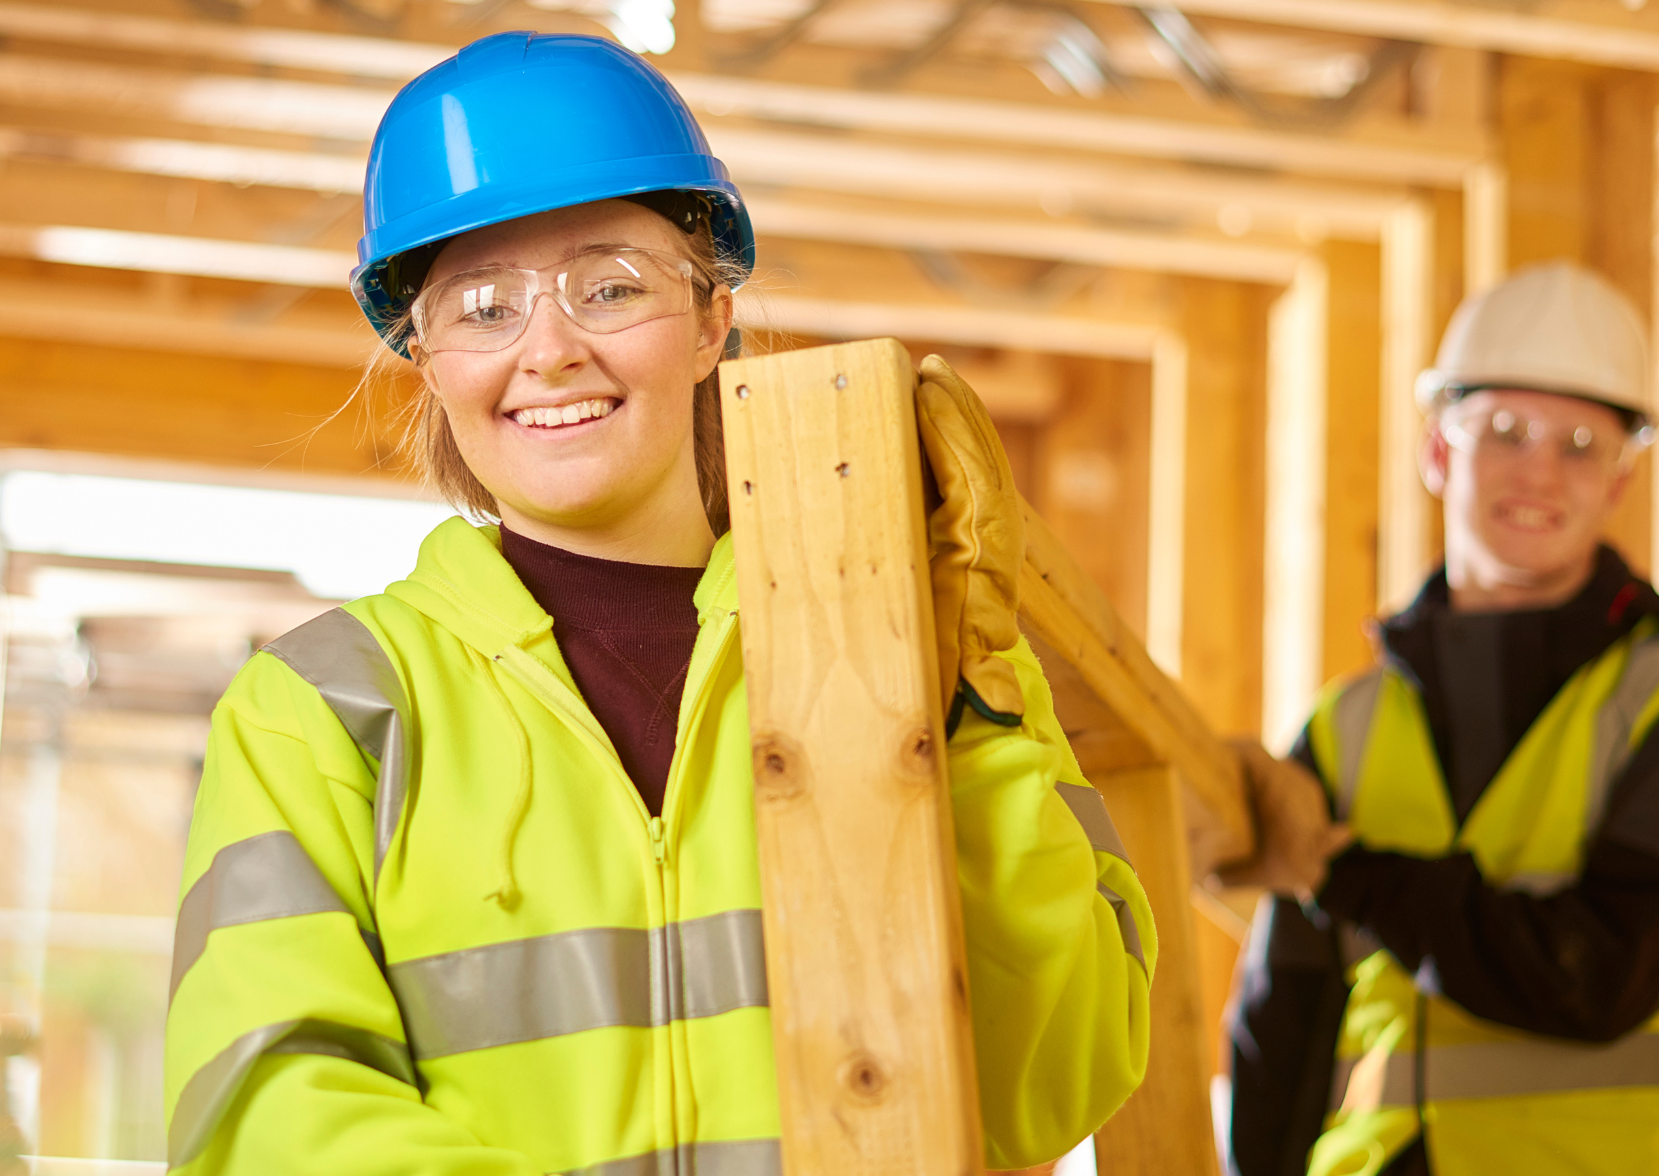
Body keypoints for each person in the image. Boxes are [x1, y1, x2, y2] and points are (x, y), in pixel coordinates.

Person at [162, 32, 1154, 1176]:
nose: (547, 350)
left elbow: (1055, 1081)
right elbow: (266, 1114)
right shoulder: (320, 712)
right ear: (426, 360)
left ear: (710, 319)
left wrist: (969, 698)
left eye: (609, 287)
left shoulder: (893, 646)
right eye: (482, 305)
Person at [1223, 262, 1659, 1176]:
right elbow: (1286, 1015)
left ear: (1618, 484)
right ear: (1437, 452)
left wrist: (1350, 876)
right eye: (1507, 432)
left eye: (1579, 445)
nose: (1539, 472)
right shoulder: (1346, 723)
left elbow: (1599, 972)